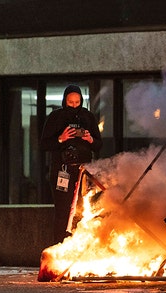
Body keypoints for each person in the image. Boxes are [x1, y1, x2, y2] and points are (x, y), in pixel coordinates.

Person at [40, 84, 102, 245]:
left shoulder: (87, 117)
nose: (74, 106)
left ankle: (79, 247)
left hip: (83, 171)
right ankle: (59, 246)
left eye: (77, 102)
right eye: (70, 102)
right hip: (62, 169)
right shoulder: (55, 117)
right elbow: (43, 144)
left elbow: (99, 145)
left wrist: (90, 140)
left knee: (83, 210)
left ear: (81, 101)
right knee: (63, 212)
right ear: (64, 101)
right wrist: (61, 139)